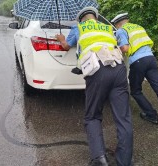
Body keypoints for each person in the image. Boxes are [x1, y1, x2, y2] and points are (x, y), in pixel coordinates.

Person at [56, 7, 133, 166]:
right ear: (95, 18)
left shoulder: (78, 27)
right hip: (118, 68)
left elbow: (66, 46)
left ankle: (99, 158)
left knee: (92, 116)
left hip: (97, 70)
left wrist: (61, 38)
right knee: (123, 118)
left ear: (81, 19)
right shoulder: (107, 28)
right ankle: (124, 161)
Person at [111, 13, 158, 132]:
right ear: (127, 20)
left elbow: (125, 48)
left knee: (136, 91)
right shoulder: (139, 27)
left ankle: (152, 115)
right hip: (151, 59)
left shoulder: (121, 31)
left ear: (117, 24)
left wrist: (116, 48)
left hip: (138, 62)